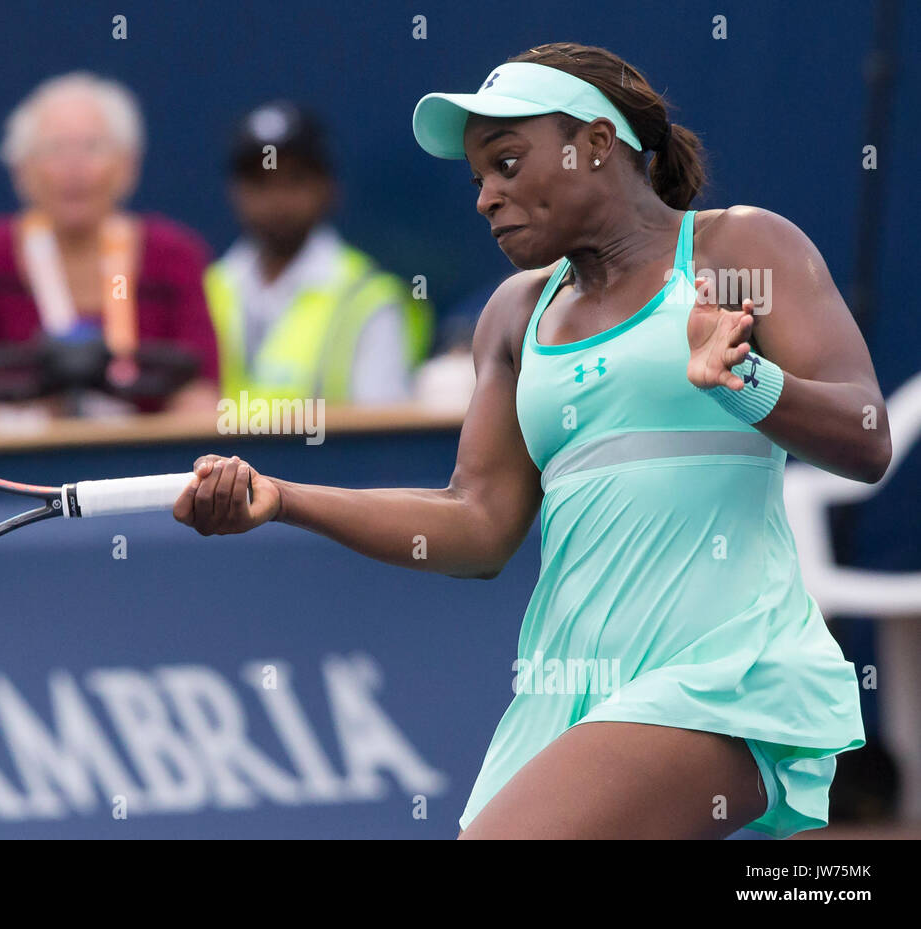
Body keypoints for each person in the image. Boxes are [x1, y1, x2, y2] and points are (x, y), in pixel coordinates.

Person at [172, 42, 891, 839]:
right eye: (478, 176)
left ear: (597, 143)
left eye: (508, 163)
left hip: (725, 672)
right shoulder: (515, 314)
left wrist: (748, 381)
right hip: (564, 694)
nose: (486, 197)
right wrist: (284, 501)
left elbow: (867, 437)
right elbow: (477, 525)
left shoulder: (742, 250)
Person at [0, 72, 219, 428]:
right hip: (17, 477)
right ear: (20, 170)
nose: (74, 169)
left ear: (128, 166)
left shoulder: (175, 257)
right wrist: (33, 433)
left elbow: (202, 401)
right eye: (54, 150)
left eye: (92, 148)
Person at [204, 101, 431, 406]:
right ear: (236, 192)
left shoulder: (370, 299)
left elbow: (382, 434)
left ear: (328, 188)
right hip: (217, 456)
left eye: (295, 180)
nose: (277, 199)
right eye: (260, 183)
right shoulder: (206, 290)